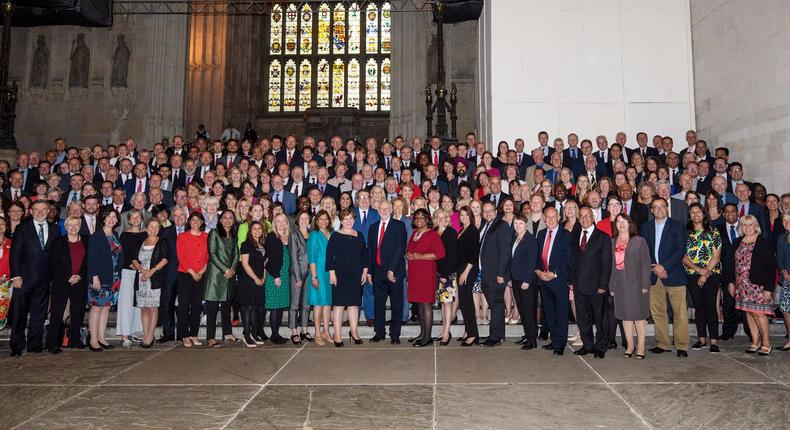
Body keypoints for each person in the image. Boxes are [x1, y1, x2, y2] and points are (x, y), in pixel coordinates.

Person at [642, 196, 690, 357]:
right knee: (657, 311)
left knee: (680, 312)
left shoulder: (678, 226)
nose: (659, 209)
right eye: (656, 207)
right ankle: (663, 343)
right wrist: (654, 268)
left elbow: (680, 250)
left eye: (662, 206)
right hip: (654, 275)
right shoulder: (646, 227)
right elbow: (645, 251)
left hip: (674, 274)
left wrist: (664, 266)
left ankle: (682, 345)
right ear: (652, 210)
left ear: (667, 208)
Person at [726, 215, 776, 356]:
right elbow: (730, 263)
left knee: (758, 313)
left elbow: (771, 267)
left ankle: (767, 342)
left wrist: (768, 288)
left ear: (756, 227)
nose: (747, 228)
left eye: (750, 225)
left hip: (757, 286)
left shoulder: (763, 243)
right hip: (741, 285)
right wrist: (731, 282)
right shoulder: (737, 242)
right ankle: (755, 341)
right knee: (748, 312)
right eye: (744, 225)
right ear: (741, 227)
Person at [570, 207, 612, 358]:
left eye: (587, 216)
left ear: (593, 218)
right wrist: (571, 281)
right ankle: (587, 345)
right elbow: (572, 261)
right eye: (581, 216)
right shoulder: (574, 236)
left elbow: (607, 263)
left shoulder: (603, 237)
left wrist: (603, 285)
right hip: (579, 284)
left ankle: (601, 347)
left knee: (600, 318)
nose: (584, 218)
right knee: (583, 318)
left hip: (597, 286)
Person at [610, 214, 652, 359]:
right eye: (618, 221)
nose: (621, 224)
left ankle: (641, 346)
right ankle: (630, 345)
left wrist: (645, 284)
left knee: (639, 316)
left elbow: (646, 264)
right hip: (620, 283)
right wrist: (612, 285)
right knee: (625, 316)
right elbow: (612, 267)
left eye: (624, 221)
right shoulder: (613, 242)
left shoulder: (639, 241)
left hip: (637, 284)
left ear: (630, 224)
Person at [683, 203, 723, 353]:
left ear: (703, 213)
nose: (695, 215)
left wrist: (705, 273)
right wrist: (699, 271)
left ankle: (714, 340)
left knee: (711, 306)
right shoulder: (686, 233)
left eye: (698, 212)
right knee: (698, 307)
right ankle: (701, 340)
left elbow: (716, 255)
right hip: (692, 274)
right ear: (690, 215)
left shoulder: (713, 231)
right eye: (692, 212)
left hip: (712, 274)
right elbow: (683, 256)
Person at [326, 209, 369, 346]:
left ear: (354, 220)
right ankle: (337, 334)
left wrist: (365, 271)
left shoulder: (360, 235)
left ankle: (354, 332)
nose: (348, 221)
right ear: (341, 220)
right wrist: (332, 273)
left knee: (354, 304)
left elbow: (364, 255)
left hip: (356, 273)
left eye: (350, 218)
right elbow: (329, 256)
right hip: (340, 274)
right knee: (338, 305)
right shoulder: (335, 235)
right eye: (345, 219)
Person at [367, 200, 408, 344]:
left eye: (387, 208)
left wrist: (391, 269)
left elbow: (400, 248)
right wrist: (370, 272)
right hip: (377, 272)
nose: (384, 211)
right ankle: (379, 332)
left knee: (397, 304)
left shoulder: (399, 225)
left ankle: (395, 334)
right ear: (378, 210)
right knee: (378, 304)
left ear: (391, 210)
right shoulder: (372, 228)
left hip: (394, 272)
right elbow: (371, 251)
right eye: (381, 208)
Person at [46, 216, 87, 353]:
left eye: (76, 225)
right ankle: (52, 343)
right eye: (70, 225)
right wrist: (68, 276)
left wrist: (79, 275)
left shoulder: (86, 241)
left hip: (79, 281)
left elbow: (88, 261)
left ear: (80, 226)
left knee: (77, 312)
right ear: (66, 226)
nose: (73, 227)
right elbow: (54, 263)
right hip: (61, 281)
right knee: (57, 312)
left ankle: (74, 340)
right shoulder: (58, 242)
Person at [535, 207, 573, 355]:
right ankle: (554, 340)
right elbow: (537, 256)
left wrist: (554, 273)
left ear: (558, 218)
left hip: (558, 280)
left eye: (553, 217)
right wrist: (538, 271)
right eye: (548, 217)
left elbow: (568, 259)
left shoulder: (566, 235)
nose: (550, 220)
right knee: (549, 312)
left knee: (561, 313)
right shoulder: (541, 234)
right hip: (543, 279)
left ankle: (560, 344)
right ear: (544, 218)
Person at [405, 208, 445, 347]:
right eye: (416, 218)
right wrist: (408, 254)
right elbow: (409, 249)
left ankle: (427, 337)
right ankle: (422, 334)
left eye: (422, 217)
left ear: (428, 220)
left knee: (426, 304)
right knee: (420, 304)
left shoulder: (433, 235)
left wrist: (420, 256)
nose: (419, 220)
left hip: (426, 273)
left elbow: (440, 254)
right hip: (415, 273)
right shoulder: (415, 233)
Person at [86, 207, 122, 352]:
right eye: (108, 216)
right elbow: (91, 259)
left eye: (114, 216)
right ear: (103, 219)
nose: (111, 219)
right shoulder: (96, 236)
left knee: (106, 307)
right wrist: (94, 277)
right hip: (99, 278)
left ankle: (102, 337)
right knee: (96, 308)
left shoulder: (115, 235)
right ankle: (93, 339)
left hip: (113, 278)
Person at [478, 201, 513, 346]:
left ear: (496, 210)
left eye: (490, 210)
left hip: (495, 274)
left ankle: (495, 337)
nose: (487, 213)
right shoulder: (485, 226)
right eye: (485, 211)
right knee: (495, 304)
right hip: (486, 273)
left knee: (497, 305)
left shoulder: (502, 225)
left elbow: (505, 252)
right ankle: (499, 334)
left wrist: (501, 274)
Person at [131, 218, 168, 348]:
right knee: (144, 308)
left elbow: (164, 260)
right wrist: (142, 270)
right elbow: (134, 259)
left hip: (154, 279)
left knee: (153, 307)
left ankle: (149, 336)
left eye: (156, 227)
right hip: (141, 279)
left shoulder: (162, 242)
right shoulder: (141, 241)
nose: (153, 229)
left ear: (159, 229)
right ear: (146, 228)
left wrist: (150, 272)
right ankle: (146, 333)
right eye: (151, 226)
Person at [203, 210, 238, 347]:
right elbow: (212, 253)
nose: (228, 220)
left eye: (230, 218)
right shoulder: (214, 233)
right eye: (225, 218)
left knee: (226, 307)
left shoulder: (233, 235)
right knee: (211, 307)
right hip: (216, 275)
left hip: (229, 275)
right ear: (220, 219)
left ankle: (227, 333)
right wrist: (225, 269)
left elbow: (236, 254)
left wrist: (233, 269)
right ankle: (210, 337)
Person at [176, 212, 208, 348]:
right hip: (185, 274)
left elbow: (209, 256)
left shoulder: (207, 236)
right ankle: (184, 335)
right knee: (183, 305)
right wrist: (192, 272)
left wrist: (200, 272)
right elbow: (181, 256)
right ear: (189, 222)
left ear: (201, 222)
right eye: (193, 220)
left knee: (196, 306)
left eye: (198, 220)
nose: (195, 222)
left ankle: (193, 334)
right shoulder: (182, 236)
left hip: (201, 275)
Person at [509, 213, 538, 350]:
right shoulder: (515, 238)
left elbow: (532, 262)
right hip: (516, 279)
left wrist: (527, 280)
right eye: (515, 223)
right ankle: (528, 334)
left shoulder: (530, 240)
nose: (518, 226)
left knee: (528, 310)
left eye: (520, 223)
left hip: (526, 281)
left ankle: (532, 339)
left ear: (526, 224)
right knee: (521, 309)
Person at [118, 210, 145, 347]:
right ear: (128, 220)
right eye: (132, 217)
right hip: (128, 271)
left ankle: (134, 332)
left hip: (142, 272)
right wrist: (132, 265)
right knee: (126, 303)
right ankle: (124, 335)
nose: (135, 219)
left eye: (138, 217)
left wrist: (142, 268)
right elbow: (123, 253)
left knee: (138, 304)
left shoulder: (146, 234)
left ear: (142, 219)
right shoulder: (124, 235)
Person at [237, 221, 267, 348]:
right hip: (248, 280)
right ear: (250, 231)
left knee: (255, 307)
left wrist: (263, 277)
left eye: (259, 229)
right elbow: (245, 264)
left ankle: (254, 334)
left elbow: (265, 264)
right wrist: (256, 278)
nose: (257, 231)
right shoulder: (246, 245)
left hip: (260, 280)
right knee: (247, 307)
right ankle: (246, 336)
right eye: (254, 229)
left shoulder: (263, 245)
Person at [264, 213, 292, 344]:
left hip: (286, 275)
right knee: (275, 305)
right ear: (274, 223)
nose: (281, 223)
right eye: (278, 221)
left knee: (281, 306)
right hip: (275, 275)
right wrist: (276, 276)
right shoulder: (271, 237)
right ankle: (274, 334)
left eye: (283, 221)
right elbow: (269, 259)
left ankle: (277, 333)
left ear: (287, 223)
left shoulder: (289, 237)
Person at [455, 206, 480, 346]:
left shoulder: (472, 231)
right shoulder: (462, 230)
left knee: (466, 301)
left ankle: (473, 334)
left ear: (471, 216)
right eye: (462, 215)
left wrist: (466, 271)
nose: (463, 217)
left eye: (466, 215)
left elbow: (474, 254)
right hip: (461, 268)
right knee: (463, 301)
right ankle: (468, 330)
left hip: (468, 268)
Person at [307, 210, 333, 346]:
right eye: (320, 219)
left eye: (326, 219)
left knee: (328, 304)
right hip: (319, 273)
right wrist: (314, 276)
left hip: (331, 273)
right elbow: (311, 257)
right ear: (316, 221)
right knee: (318, 303)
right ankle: (317, 333)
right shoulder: (314, 235)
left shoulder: (332, 234)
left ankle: (326, 331)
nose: (323, 221)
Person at [433, 208, 457, 345]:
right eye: (438, 217)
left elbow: (452, 255)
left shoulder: (451, 233)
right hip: (436, 274)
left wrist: (445, 274)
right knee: (442, 303)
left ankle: (447, 333)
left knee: (447, 303)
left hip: (446, 274)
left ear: (447, 218)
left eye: (444, 217)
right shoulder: (433, 233)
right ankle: (444, 330)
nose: (441, 219)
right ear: (435, 218)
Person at [288, 211, 312, 344]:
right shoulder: (293, 234)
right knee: (295, 304)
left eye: (306, 218)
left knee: (306, 304)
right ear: (297, 220)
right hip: (297, 274)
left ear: (309, 220)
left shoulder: (312, 234)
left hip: (310, 273)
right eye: (301, 218)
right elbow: (293, 257)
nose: (304, 220)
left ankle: (304, 330)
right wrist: (297, 277)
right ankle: (294, 331)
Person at [776, 212, 790, 352]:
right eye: (784, 221)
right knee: (786, 310)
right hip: (787, 279)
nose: (787, 223)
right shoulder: (782, 237)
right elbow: (779, 258)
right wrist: (785, 273)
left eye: (789, 220)